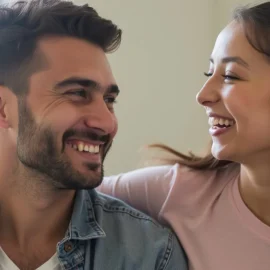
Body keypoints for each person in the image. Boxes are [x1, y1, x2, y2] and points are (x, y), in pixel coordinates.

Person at [0, 0, 187, 269]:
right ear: (4, 109)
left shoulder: (150, 254)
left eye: (109, 99)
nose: (107, 122)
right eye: (77, 93)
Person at [99, 2, 270, 270]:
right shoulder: (178, 192)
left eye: (230, 75)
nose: (203, 96)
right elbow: (57, 199)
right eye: (209, 72)